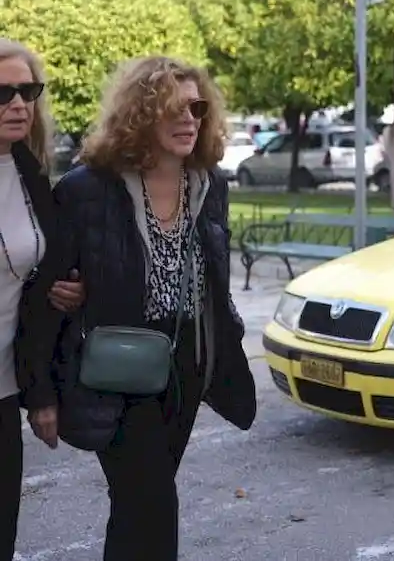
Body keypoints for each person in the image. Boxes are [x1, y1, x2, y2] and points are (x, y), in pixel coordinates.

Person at [52, 55, 257, 561]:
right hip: (117, 365)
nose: (189, 119)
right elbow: (47, 280)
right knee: (152, 500)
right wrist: (60, 292)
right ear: (141, 114)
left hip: (187, 364)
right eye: (173, 108)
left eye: (197, 108)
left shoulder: (210, 185)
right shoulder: (87, 189)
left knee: (138, 503)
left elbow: (214, 276)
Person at [0, 39, 86, 561]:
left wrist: (69, 290)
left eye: (27, 92)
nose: (18, 104)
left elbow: (40, 281)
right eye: (2, 93)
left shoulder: (30, 174)